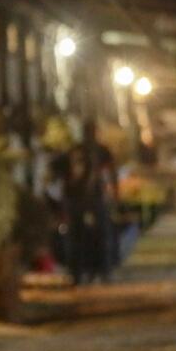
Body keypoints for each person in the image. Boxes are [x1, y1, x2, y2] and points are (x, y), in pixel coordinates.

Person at [55, 119, 116, 285]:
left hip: (77, 200)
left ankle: (80, 273)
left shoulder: (76, 150)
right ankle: (98, 271)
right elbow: (111, 173)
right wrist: (114, 194)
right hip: (91, 200)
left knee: (79, 237)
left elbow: (59, 175)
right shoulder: (99, 150)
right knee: (97, 236)